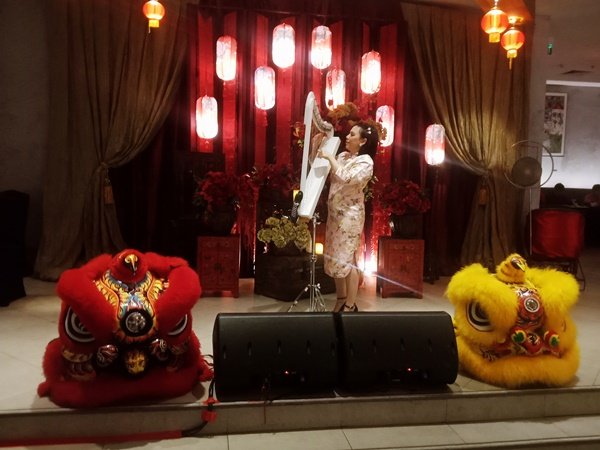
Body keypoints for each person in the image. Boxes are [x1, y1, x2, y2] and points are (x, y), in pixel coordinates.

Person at [317, 122, 377, 312]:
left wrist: (329, 157)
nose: (347, 137)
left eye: (352, 134)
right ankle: (341, 299)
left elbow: (346, 177)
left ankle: (350, 305)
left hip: (350, 218)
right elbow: (327, 170)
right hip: (335, 215)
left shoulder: (366, 162)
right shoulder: (343, 156)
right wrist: (319, 146)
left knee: (349, 259)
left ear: (363, 141)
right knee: (336, 258)